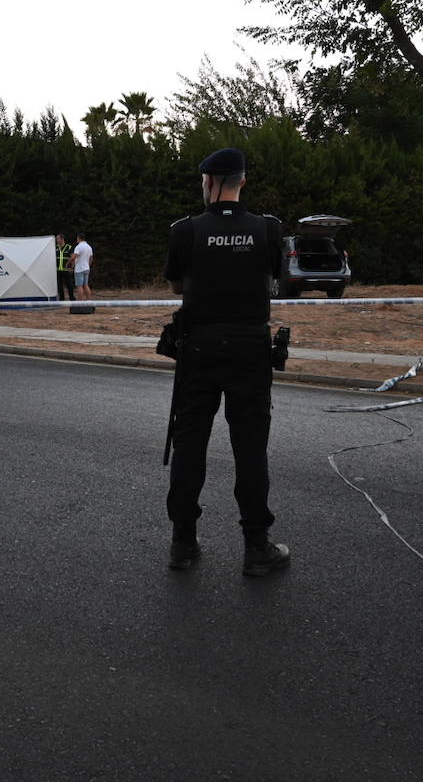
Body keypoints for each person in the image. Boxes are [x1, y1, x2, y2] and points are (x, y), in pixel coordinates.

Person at [163, 147, 287, 577]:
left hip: (198, 348)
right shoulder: (268, 229)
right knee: (250, 449)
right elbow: (276, 279)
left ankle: (182, 542)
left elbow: (179, 284)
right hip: (251, 350)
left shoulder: (184, 230)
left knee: (189, 444)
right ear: (243, 182)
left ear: (209, 183)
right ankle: (256, 547)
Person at [72, 233, 93, 302]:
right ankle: (89, 301)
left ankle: (80, 302)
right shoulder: (89, 247)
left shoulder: (78, 247)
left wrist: (68, 263)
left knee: (79, 286)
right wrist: (88, 266)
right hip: (86, 268)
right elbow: (91, 258)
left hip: (79, 269)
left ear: (79, 238)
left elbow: (74, 256)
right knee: (85, 285)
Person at [55, 234, 76, 302]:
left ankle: (72, 298)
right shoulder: (55, 247)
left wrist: (72, 268)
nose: (56, 240)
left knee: (69, 285)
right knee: (59, 285)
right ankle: (62, 299)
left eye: (57, 239)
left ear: (62, 239)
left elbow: (73, 258)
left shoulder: (69, 247)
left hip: (67, 270)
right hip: (58, 270)